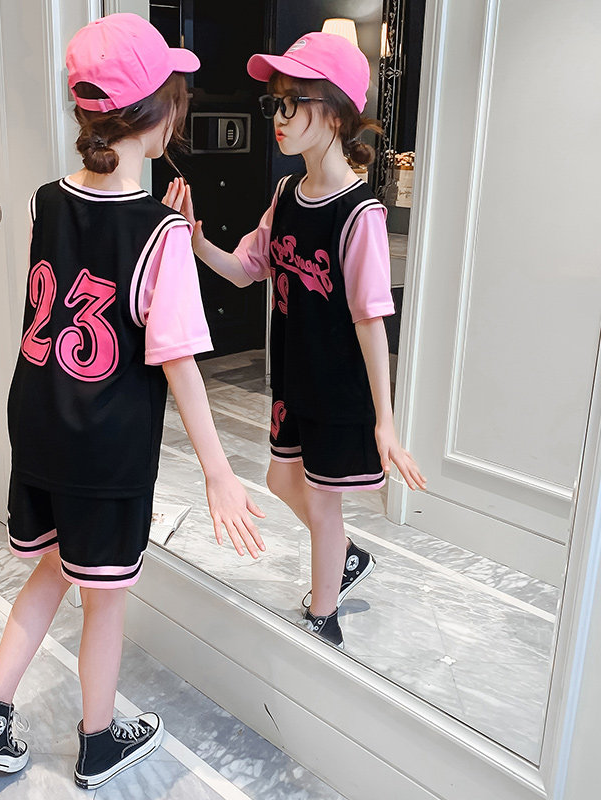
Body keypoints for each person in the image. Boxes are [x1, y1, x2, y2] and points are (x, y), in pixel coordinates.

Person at [0, 13, 264, 790]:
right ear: (154, 115)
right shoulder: (160, 234)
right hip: (106, 446)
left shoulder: (43, 202)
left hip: (39, 423)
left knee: (53, 569)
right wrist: (220, 471)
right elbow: (179, 362)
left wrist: (173, 235)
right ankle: (98, 742)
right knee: (107, 600)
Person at [163, 31, 425, 649]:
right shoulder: (285, 196)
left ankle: (323, 620)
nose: (278, 118)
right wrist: (196, 242)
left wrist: (386, 421)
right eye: (273, 103)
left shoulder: (360, 214)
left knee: (322, 504)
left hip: (337, 390)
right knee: (283, 480)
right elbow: (246, 269)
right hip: (293, 381)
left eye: (290, 103)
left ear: (333, 112)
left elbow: (371, 320)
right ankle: (346, 558)